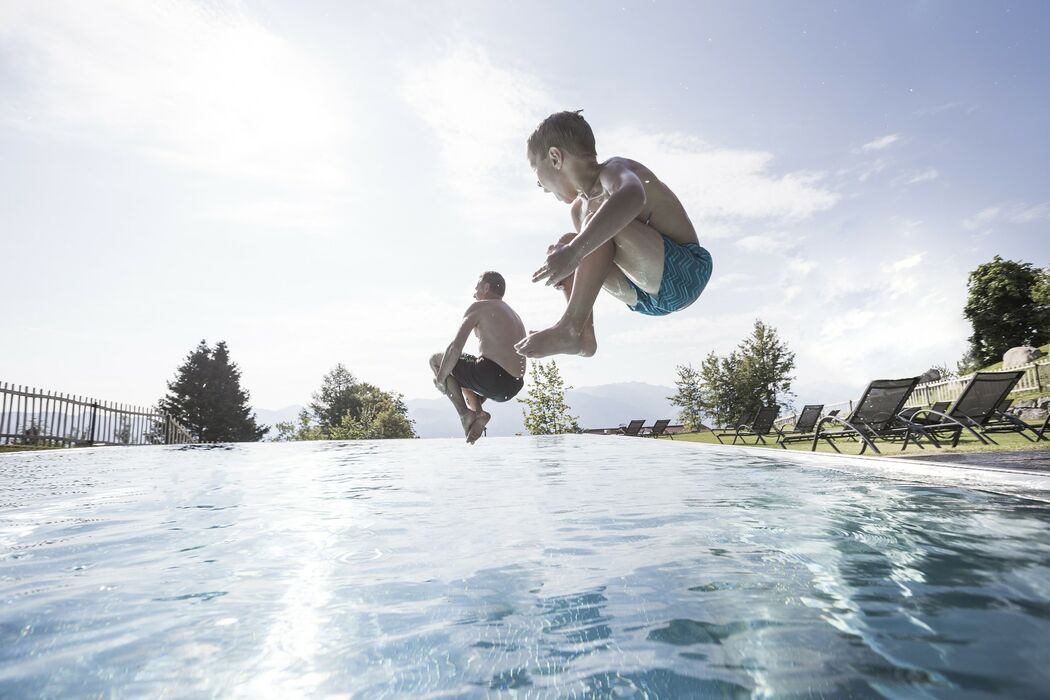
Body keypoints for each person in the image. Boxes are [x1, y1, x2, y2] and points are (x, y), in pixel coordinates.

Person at [515, 110, 713, 359]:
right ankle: (583, 337)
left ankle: (570, 326)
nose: (539, 185)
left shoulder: (613, 170)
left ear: (555, 157)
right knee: (566, 243)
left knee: (585, 234)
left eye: (535, 169)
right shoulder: (578, 210)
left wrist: (576, 251)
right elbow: (598, 256)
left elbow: (632, 196)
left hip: (686, 272)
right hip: (643, 298)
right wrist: (569, 264)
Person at [430, 271, 527, 443]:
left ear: (486, 287)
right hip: (513, 385)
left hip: (492, 376)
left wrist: (440, 379)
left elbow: (455, 347)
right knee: (460, 373)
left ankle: (465, 414)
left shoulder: (479, 307)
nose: (474, 293)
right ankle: (478, 413)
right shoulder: (513, 314)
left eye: (476, 288)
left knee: (438, 360)